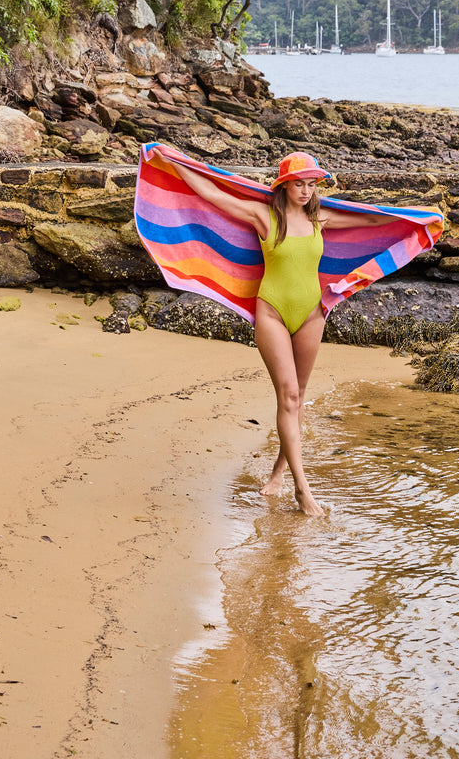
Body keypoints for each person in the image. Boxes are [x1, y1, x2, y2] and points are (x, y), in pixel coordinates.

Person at [138, 146, 443, 517]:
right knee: (289, 395)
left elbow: (375, 222)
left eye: (311, 184)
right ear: (283, 186)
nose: (306, 191)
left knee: (298, 398)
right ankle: (303, 489)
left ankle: (279, 474)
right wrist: (173, 162)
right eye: (298, 184)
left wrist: (421, 219)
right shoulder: (264, 217)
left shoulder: (321, 219)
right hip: (272, 313)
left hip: (312, 314)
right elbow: (213, 195)